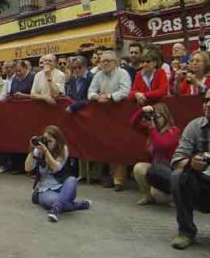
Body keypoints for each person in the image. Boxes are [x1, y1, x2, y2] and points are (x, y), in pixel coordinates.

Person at [169, 89, 210, 249]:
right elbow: (176, 160)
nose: (208, 104)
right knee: (178, 175)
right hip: (201, 186)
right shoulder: (194, 126)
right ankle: (186, 232)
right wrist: (191, 163)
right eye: (206, 100)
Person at [25, 125, 91, 222]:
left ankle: (57, 208)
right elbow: (27, 168)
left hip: (62, 186)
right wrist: (32, 151)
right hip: (46, 190)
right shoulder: (39, 150)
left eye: (50, 141)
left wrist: (46, 152)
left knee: (72, 180)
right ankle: (76, 205)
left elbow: (56, 168)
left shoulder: (63, 149)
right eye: (45, 140)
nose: (47, 143)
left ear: (57, 141)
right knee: (56, 201)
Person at [88, 50, 132, 191]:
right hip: (104, 116)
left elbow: (125, 91)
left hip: (120, 114)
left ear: (115, 62)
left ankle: (119, 180)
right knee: (107, 144)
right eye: (103, 61)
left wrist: (108, 96)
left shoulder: (123, 73)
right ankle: (110, 177)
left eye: (108, 61)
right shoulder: (98, 75)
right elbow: (90, 92)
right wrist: (96, 97)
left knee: (119, 146)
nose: (105, 63)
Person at [129, 104, 179, 206]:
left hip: (169, 171)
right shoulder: (152, 130)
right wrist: (142, 111)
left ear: (165, 116)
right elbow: (133, 123)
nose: (155, 120)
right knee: (138, 168)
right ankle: (148, 196)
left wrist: (152, 128)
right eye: (153, 117)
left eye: (157, 117)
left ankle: (174, 197)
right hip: (156, 169)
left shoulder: (174, 131)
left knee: (157, 195)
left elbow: (162, 145)